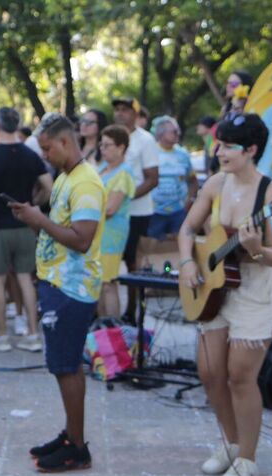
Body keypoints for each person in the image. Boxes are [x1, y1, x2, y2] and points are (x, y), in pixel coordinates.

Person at [178, 113, 272, 476]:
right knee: (210, 373)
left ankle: (247, 459)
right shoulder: (215, 183)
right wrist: (186, 263)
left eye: (228, 146)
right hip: (214, 289)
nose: (219, 152)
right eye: (219, 144)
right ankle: (231, 443)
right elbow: (188, 229)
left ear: (252, 150)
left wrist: (255, 248)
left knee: (240, 376)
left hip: (255, 292)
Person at [9, 113, 105, 472]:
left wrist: (39, 220)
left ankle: (77, 448)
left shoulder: (86, 183)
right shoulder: (66, 177)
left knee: (67, 367)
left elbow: (82, 240)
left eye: (47, 148)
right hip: (57, 283)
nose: (45, 156)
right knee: (63, 365)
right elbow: (60, 230)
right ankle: (70, 435)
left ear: (65, 142)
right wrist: (35, 219)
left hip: (72, 288)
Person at [0, 107, 52, 352]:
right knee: (26, 278)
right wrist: (34, 203)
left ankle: (1, 336)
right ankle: (33, 334)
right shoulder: (30, 155)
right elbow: (49, 187)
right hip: (25, 225)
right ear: (18, 125)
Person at [112, 96, 159, 324]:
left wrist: (125, 197)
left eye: (125, 110)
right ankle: (107, 312)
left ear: (136, 114)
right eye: (117, 110)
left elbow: (152, 179)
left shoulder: (145, 140)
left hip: (137, 212)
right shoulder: (111, 137)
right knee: (110, 260)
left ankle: (132, 312)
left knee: (133, 263)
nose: (120, 113)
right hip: (112, 212)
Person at [97, 124, 134, 317]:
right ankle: (100, 327)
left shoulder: (124, 173)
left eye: (107, 145)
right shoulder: (103, 168)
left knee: (108, 283)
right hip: (97, 233)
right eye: (101, 145)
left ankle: (112, 327)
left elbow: (111, 208)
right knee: (97, 283)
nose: (102, 149)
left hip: (111, 235)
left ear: (121, 147)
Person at [148, 116, 197, 242]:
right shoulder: (149, 153)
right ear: (160, 134)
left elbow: (192, 180)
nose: (178, 134)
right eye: (174, 131)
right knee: (153, 248)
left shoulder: (183, 154)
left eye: (178, 131)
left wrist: (190, 200)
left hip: (179, 211)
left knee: (180, 246)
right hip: (154, 212)